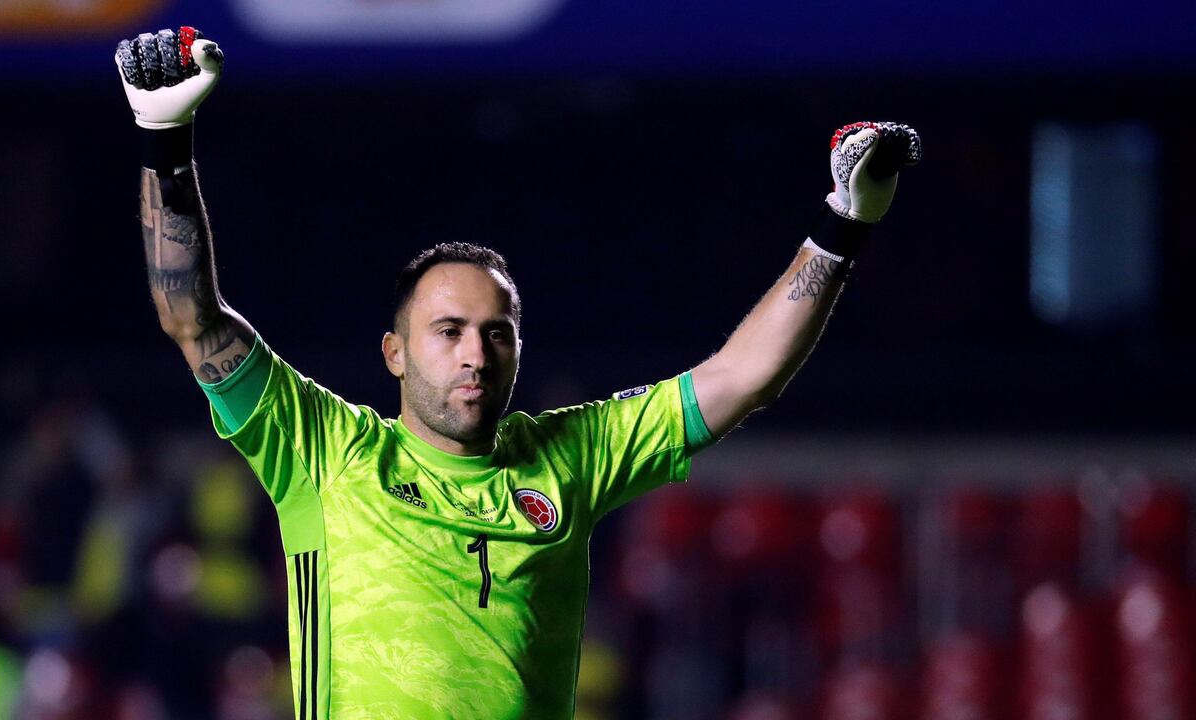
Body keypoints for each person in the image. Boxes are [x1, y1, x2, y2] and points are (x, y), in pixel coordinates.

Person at [115, 27, 920, 720]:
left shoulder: (571, 457)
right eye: (448, 332)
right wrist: (164, 138)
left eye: (496, 334)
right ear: (394, 353)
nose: (475, 353)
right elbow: (194, 319)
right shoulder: (323, 452)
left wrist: (845, 222)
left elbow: (743, 375)